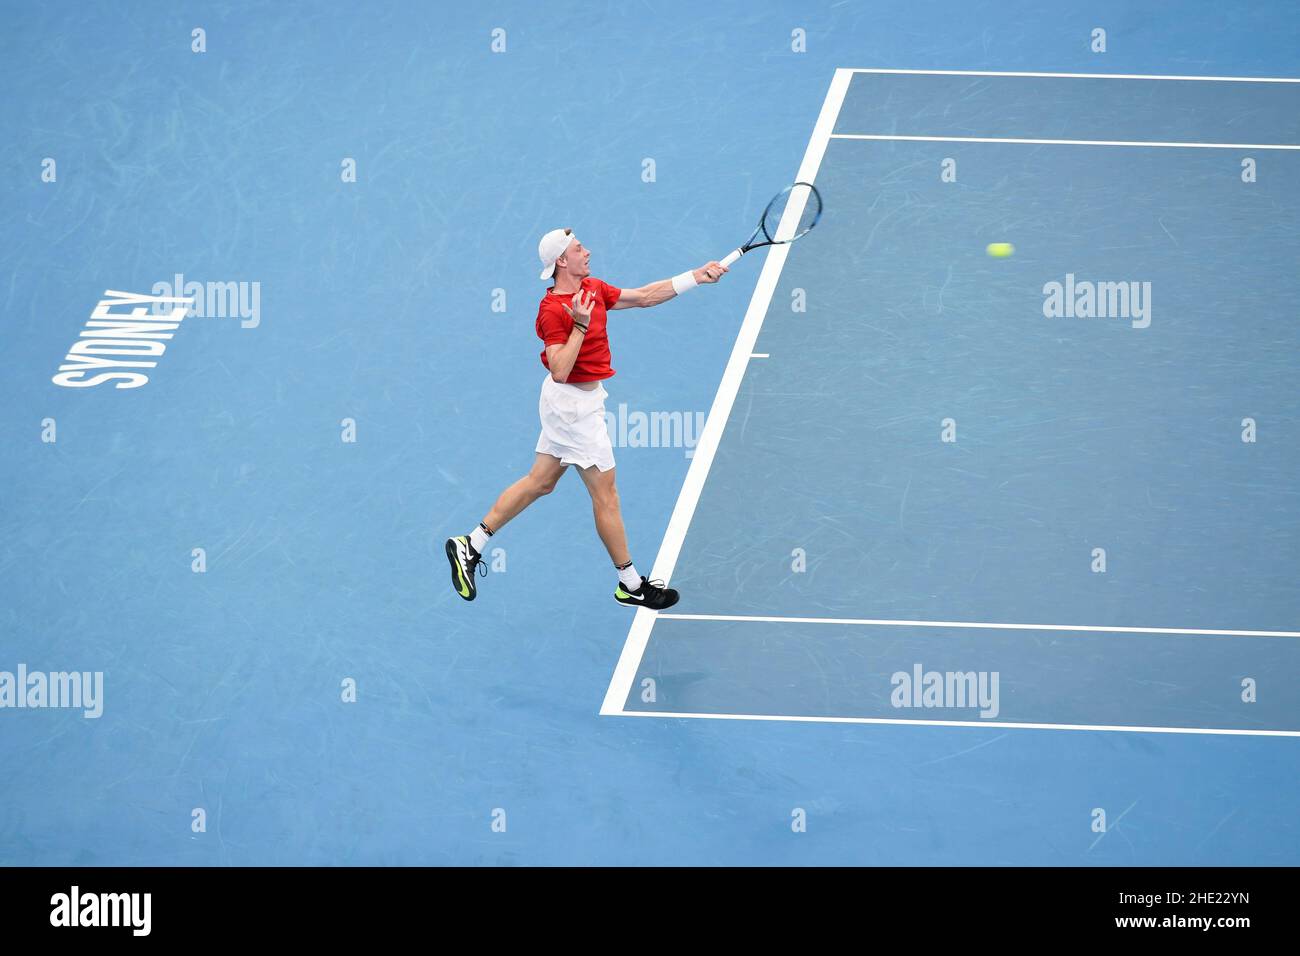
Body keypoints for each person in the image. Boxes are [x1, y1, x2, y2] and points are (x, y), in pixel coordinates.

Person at [445, 227, 727, 609]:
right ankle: (630, 583)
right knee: (606, 494)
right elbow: (560, 369)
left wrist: (696, 276)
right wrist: (579, 323)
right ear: (562, 260)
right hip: (572, 408)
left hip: (580, 403)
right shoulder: (551, 311)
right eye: (579, 248)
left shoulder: (593, 288)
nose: (588, 251)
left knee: (540, 482)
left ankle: (470, 544)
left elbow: (643, 297)